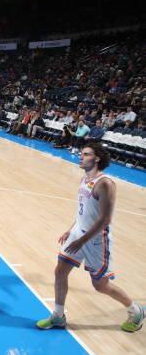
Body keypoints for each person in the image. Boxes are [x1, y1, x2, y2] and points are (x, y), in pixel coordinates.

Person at [36, 142, 144, 333]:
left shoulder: (106, 184)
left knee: (100, 285)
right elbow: (83, 211)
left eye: (86, 154)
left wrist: (82, 241)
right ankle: (58, 316)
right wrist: (71, 230)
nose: (80, 156)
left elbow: (105, 219)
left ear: (97, 158)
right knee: (60, 271)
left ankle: (136, 311)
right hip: (78, 233)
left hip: (95, 240)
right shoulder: (84, 179)